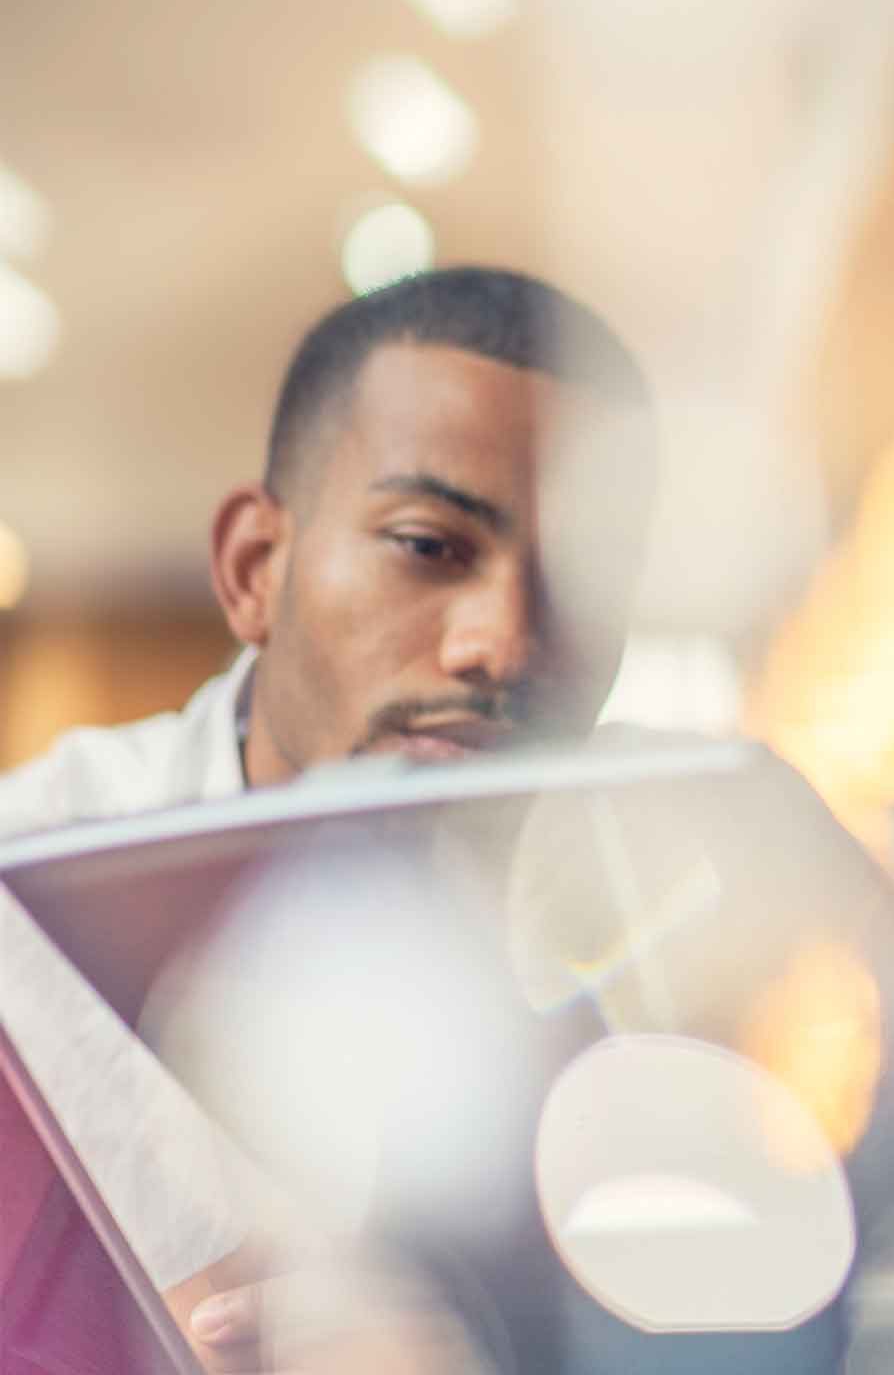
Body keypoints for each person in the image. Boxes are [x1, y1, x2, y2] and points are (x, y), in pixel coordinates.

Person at [0, 266, 657, 1372]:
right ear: (256, 569)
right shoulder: (28, 898)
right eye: (429, 546)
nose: (500, 643)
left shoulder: (670, 929)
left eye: (580, 579)